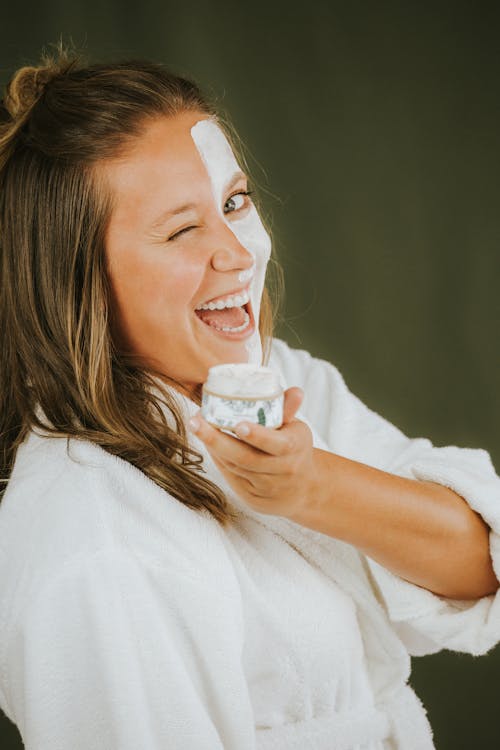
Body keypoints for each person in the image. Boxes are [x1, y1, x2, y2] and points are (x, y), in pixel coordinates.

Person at [0, 46, 499, 750]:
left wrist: (309, 486)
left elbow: (481, 565)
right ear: (77, 284)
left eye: (235, 202)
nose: (237, 252)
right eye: (182, 230)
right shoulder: (94, 549)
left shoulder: (287, 385)